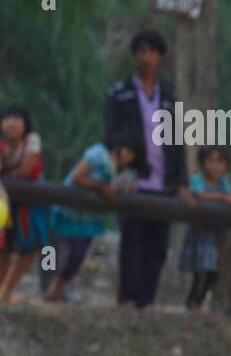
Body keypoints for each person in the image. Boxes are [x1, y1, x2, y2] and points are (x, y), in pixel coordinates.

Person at [104, 29, 189, 307]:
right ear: (134, 55)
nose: (146, 56)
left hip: (163, 185)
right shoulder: (119, 94)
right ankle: (128, 299)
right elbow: (110, 138)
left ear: (160, 57)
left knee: (157, 247)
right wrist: (118, 175)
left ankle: (146, 301)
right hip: (133, 182)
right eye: (141, 51)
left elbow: (178, 142)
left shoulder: (169, 98)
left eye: (152, 51)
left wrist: (181, 182)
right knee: (132, 243)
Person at [46, 142, 139, 303]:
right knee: (54, 251)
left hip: (90, 216)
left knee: (78, 254)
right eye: (126, 148)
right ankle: (50, 287)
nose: (126, 154)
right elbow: (78, 177)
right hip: (69, 209)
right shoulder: (99, 155)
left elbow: (119, 192)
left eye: (132, 151)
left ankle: (59, 286)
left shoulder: (131, 173)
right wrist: (101, 187)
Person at [0, 104, 50, 302]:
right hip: (7, 204)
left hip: (33, 205)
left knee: (33, 247)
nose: (11, 123)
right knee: (4, 249)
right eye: (7, 118)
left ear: (25, 124)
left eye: (16, 119)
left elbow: (25, 171)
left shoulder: (32, 140)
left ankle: (6, 291)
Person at [179, 146, 231, 310]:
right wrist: (222, 198)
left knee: (212, 272)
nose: (215, 165)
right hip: (199, 234)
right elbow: (198, 194)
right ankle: (192, 302)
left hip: (214, 237)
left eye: (220, 161)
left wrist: (228, 198)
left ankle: (198, 302)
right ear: (203, 163)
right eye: (211, 160)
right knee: (200, 272)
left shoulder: (223, 183)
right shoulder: (198, 180)